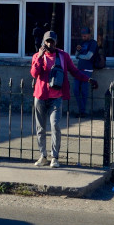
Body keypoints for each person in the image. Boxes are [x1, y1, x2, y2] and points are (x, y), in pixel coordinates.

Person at [30, 30, 91, 168]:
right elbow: (34, 73)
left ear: (56, 42)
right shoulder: (37, 56)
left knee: (55, 126)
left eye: (52, 41)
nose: (49, 43)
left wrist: (88, 79)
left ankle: (55, 157)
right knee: (40, 128)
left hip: (56, 97)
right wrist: (40, 56)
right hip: (40, 96)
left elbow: (74, 71)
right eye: (47, 41)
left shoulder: (63, 56)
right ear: (43, 42)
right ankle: (42, 155)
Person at [71, 26, 99, 117]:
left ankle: (82, 111)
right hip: (79, 69)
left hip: (87, 69)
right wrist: (78, 50)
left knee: (84, 91)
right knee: (75, 90)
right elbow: (76, 55)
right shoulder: (82, 43)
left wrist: (79, 56)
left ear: (89, 35)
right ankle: (81, 109)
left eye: (85, 36)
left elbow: (88, 57)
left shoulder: (93, 43)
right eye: (82, 36)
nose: (83, 37)